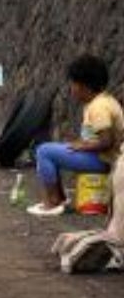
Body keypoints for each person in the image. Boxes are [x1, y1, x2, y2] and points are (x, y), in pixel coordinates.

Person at [27, 55, 124, 216]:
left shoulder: (99, 107)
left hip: (103, 159)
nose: (71, 89)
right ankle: (59, 199)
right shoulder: (104, 100)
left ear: (83, 87)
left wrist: (82, 146)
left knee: (44, 151)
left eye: (73, 84)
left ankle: (52, 202)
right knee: (52, 150)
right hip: (101, 157)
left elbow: (107, 141)